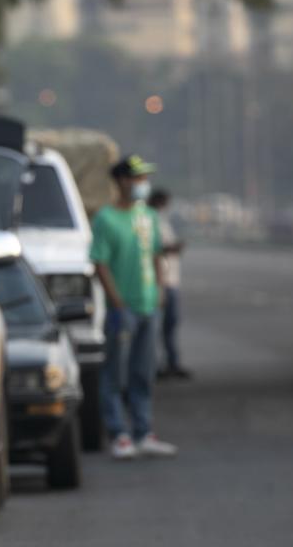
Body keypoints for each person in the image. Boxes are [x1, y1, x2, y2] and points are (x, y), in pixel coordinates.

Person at [90, 155, 178, 459]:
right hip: (122, 308)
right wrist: (116, 302)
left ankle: (143, 431)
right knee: (115, 372)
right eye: (137, 178)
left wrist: (161, 289)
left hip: (148, 305)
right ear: (122, 181)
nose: (142, 183)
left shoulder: (148, 217)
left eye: (144, 178)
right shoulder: (105, 218)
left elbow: (156, 254)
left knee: (143, 372)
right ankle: (119, 433)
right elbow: (99, 262)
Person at [148, 188, 191, 379]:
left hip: (170, 280)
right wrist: (172, 248)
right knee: (157, 326)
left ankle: (171, 363)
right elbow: (153, 249)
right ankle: (156, 365)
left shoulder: (161, 220)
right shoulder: (150, 220)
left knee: (169, 326)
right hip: (161, 282)